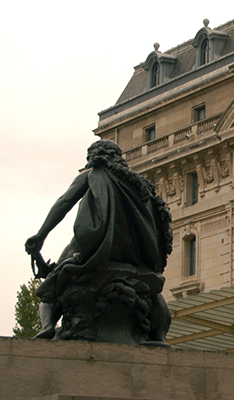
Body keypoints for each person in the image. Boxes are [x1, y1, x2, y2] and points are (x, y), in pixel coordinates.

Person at [24, 140, 172, 343]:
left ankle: (48, 326)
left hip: (98, 250)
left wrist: (40, 235)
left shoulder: (93, 174)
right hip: (136, 258)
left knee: (51, 287)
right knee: (154, 293)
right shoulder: (139, 185)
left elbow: (64, 202)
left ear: (95, 157)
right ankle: (160, 336)